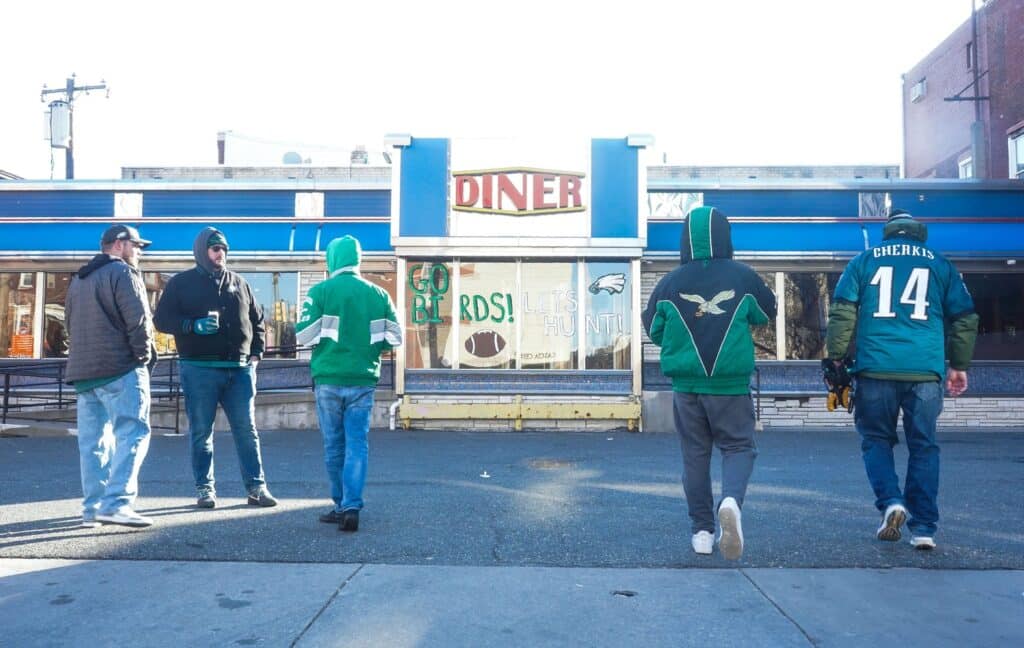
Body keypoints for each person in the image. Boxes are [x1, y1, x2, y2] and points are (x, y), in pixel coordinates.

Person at [825, 209, 978, 551]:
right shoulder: (940, 264)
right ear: (917, 231)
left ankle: (892, 502)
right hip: (925, 372)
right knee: (923, 446)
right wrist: (958, 365)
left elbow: (842, 310)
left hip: (875, 369)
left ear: (889, 231)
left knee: (876, 440)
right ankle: (923, 528)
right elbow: (965, 317)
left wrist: (835, 356)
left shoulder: (864, 261)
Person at [642, 206, 776, 559]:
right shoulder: (743, 277)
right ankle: (730, 501)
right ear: (725, 236)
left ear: (686, 239)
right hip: (730, 386)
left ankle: (701, 532)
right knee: (738, 447)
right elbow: (768, 312)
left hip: (686, 388)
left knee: (695, 457)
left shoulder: (669, 282)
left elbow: (654, 329)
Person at [153, 227, 277, 509]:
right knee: (201, 431)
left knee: (247, 431)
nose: (221, 253)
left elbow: (258, 321)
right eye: (215, 248)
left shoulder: (240, 283)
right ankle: (205, 489)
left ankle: (257, 488)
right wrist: (191, 325)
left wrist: (255, 354)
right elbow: (161, 320)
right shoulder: (181, 283)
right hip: (199, 369)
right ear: (202, 251)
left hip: (239, 370)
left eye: (224, 249)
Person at [295, 235, 401, 532]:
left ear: (332, 259)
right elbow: (395, 339)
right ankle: (353, 503)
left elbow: (303, 337)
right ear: (357, 259)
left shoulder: (320, 292)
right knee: (357, 443)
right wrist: (369, 350)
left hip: (328, 378)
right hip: (363, 379)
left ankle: (340, 505)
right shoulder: (379, 295)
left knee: (334, 446)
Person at [65, 224, 158, 528]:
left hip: (84, 373)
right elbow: (139, 320)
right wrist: (143, 357)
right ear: (119, 245)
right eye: (136, 245)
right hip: (119, 368)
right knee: (133, 433)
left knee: (93, 444)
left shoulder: (79, 279)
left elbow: (69, 324)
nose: (140, 252)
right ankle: (117, 504)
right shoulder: (122, 272)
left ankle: (92, 509)